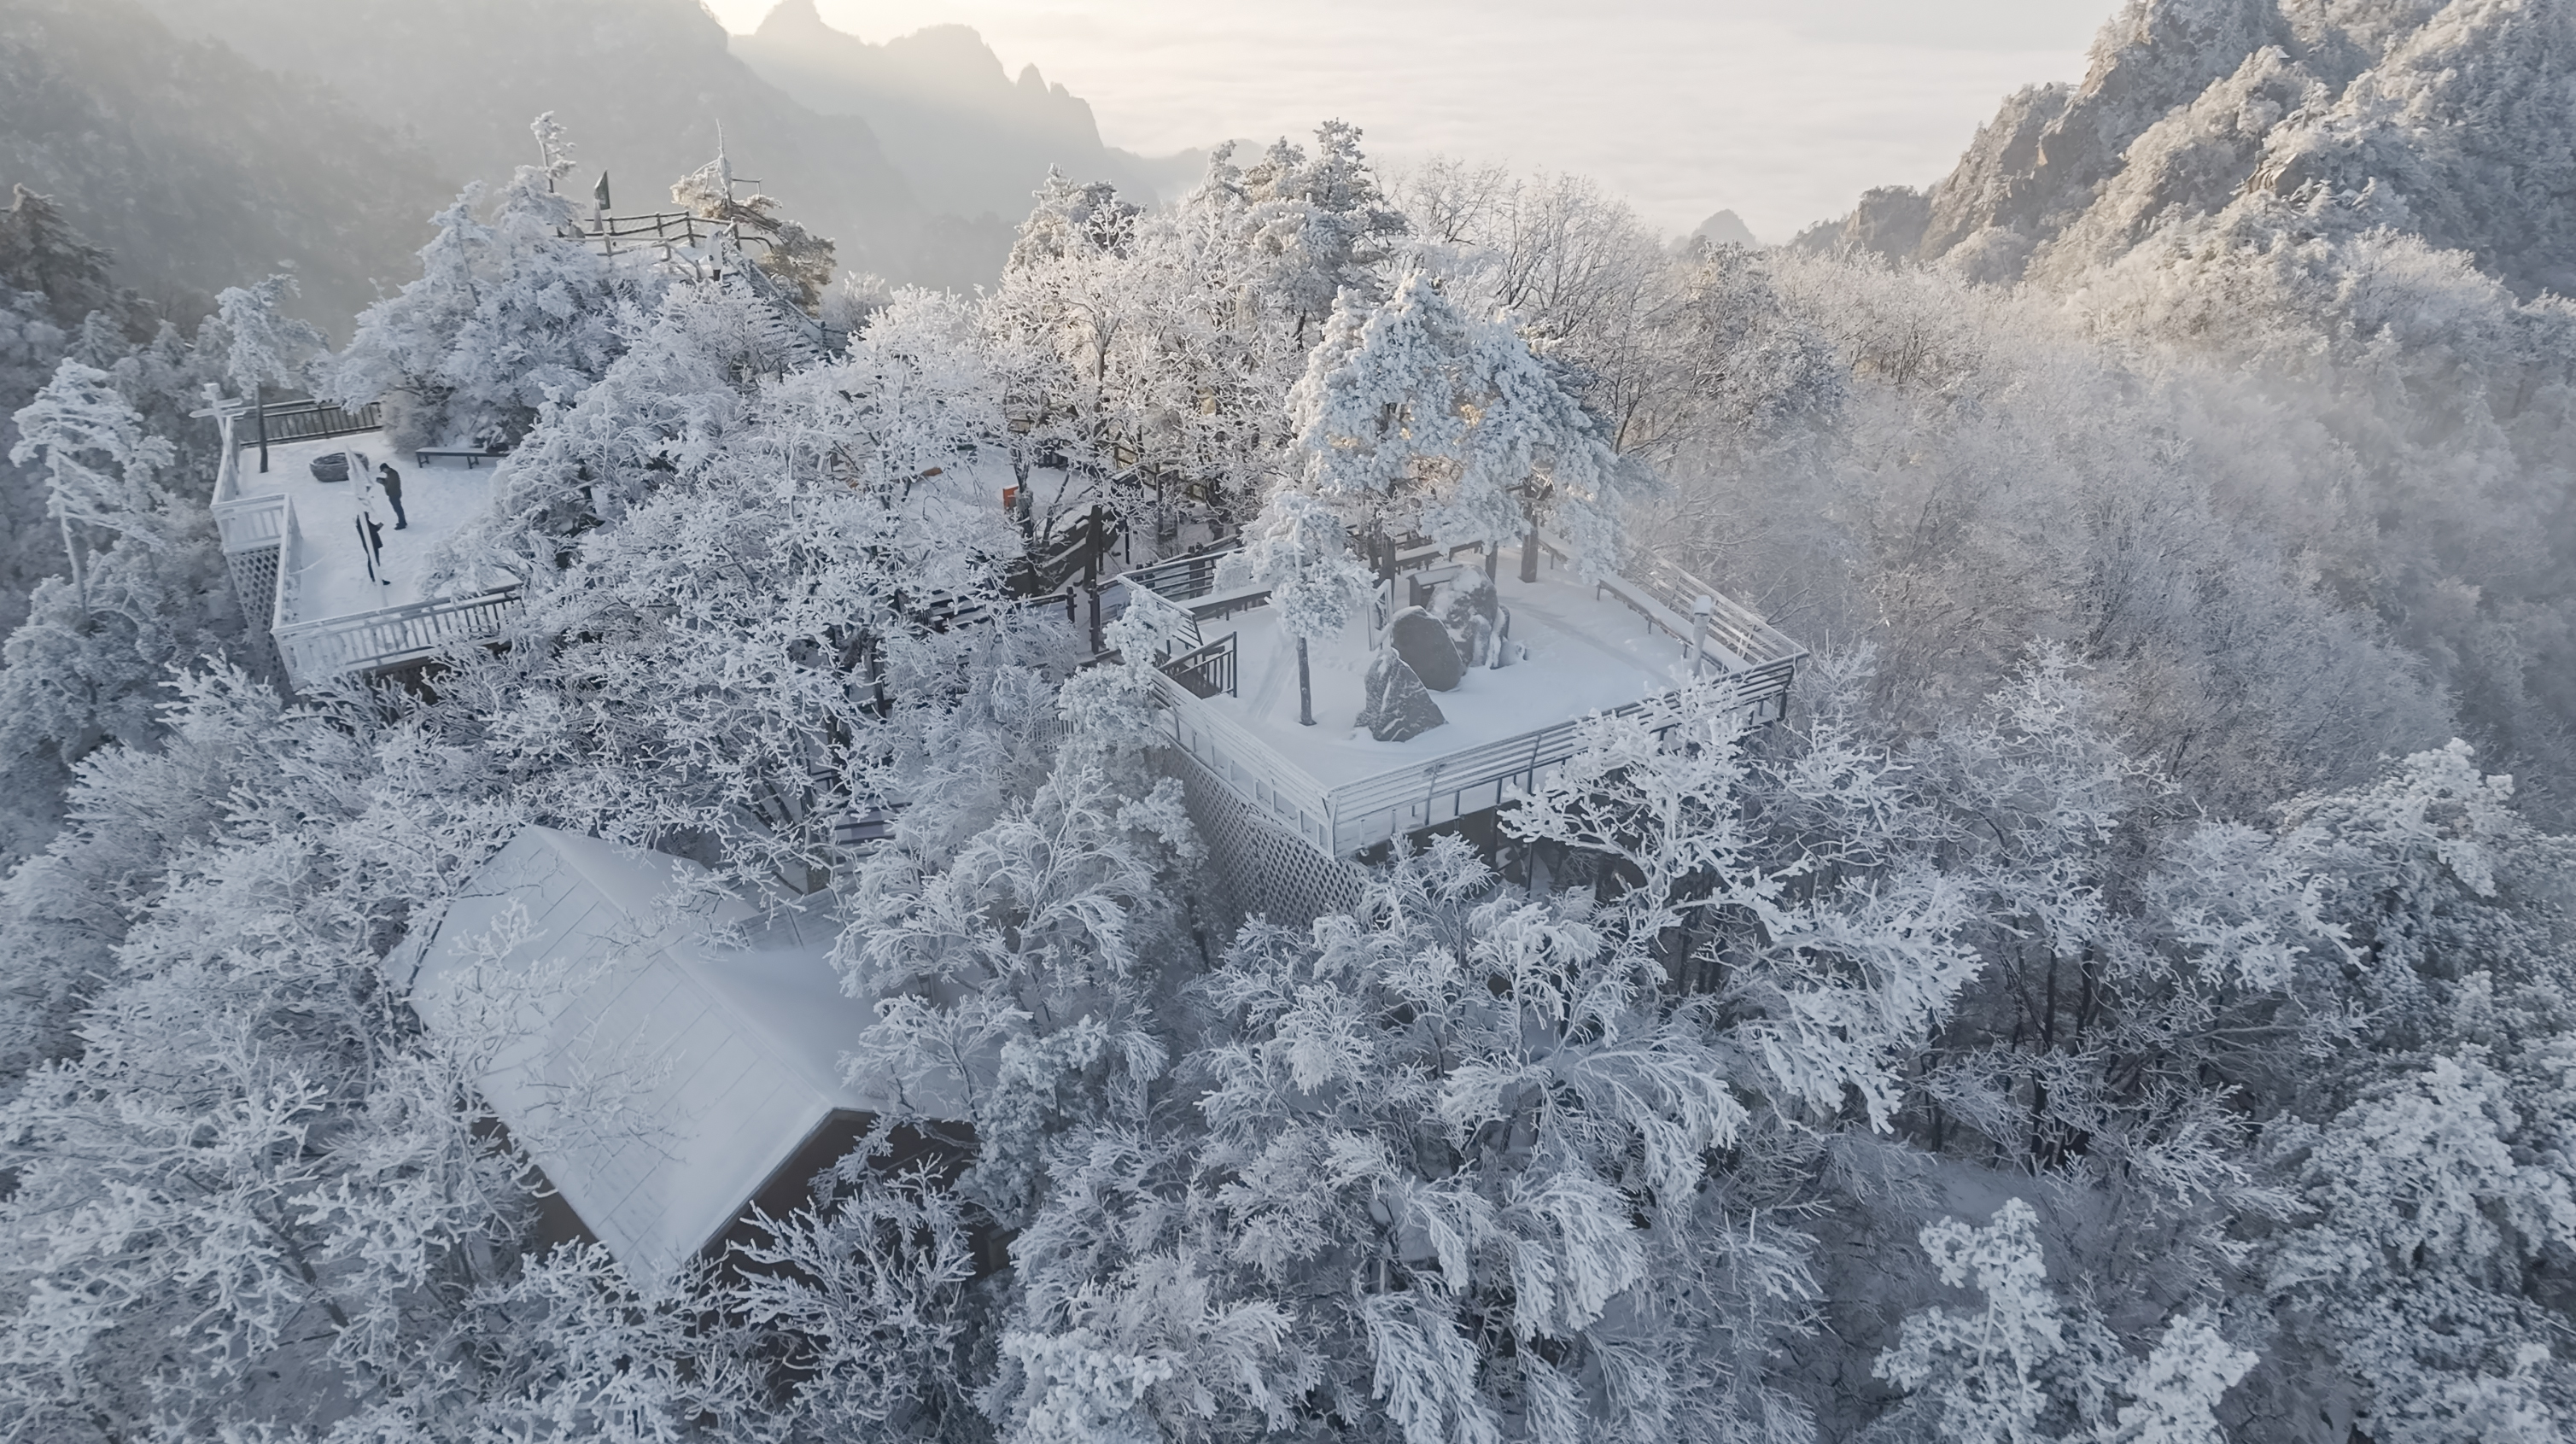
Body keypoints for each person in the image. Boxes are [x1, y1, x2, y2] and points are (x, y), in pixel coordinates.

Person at [377, 462, 409, 529]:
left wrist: (383, 482)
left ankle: (402, 524)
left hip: (394, 494)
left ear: (386, 468)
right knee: (398, 508)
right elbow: (388, 482)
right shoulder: (390, 473)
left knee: (398, 509)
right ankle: (403, 521)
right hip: (395, 493)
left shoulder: (392, 474)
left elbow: (390, 485)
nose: (383, 472)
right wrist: (383, 480)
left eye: (383, 470)